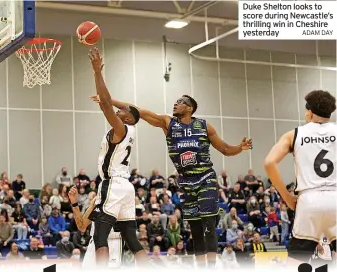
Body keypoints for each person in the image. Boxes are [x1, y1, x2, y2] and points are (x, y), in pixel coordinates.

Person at [91, 92, 252, 268]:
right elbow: (139, 112)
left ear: (190, 108)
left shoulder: (204, 126)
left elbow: (226, 149)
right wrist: (109, 100)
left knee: (208, 225)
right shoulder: (168, 123)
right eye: (175, 102)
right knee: (195, 229)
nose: (175, 104)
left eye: (180, 102)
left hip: (205, 177)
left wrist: (240, 148)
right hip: (185, 181)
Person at [86, 48, 147, 268]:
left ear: (128, 117)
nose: (118, 110)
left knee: (100, 237)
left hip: (112, 184)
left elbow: (105, 103)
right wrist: (107, 99)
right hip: (127, 188)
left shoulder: (121, 127)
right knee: (132, 239)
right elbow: (109, 102)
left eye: (122, 110)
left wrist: (96, 72)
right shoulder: (131, 131)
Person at [264, 90, 337, 266]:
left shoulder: (294, 134)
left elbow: (269, 163)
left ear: (310, 112)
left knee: (296, 262)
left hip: (309, 200)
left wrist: (287, 197)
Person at [68, 186, 123, 268]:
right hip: (94, 243)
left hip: (113, 242)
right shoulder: (96, 204)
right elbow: (82, 227)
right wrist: (74, 203)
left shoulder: (121, 204)